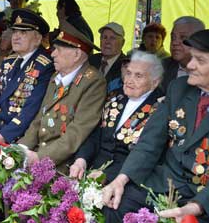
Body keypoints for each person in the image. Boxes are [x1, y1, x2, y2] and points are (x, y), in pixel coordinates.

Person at [101, 29, 209, 223]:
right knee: (115, 205)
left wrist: (195, 207)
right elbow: (150, 142)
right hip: (163, 185)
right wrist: (121, 179)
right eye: (192, 58)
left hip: (207, 199)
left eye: (200, 61)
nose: (190, 65)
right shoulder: (179, 88)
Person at [18, 20, 106, 173]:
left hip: (62, 164)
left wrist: (40, 158)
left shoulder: (93, 82)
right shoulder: (56, 77)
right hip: (38, 155)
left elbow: (77, 132)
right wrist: (21, 149)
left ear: (77, 54)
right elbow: (39, 119)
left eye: (58, 49)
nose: (52, 54)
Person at [70, 51, 164, 182]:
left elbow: (145, 156)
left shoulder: (161, 109)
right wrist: (81, 160)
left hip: (125, 179)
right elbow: (95, 134)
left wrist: (107, 176)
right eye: (129, 73)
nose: (130, 80)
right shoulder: (114, 96)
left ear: (155, 82)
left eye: (138, 76)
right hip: (92, 168)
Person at [0, 8, 54, 144]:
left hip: (18, 137)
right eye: (15, 31)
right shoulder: (9, 62)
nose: (15, 37)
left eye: (23, 33)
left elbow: (32, 109)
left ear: (38, 39)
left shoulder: (44, 66)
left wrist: (3, 135)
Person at [161, 16, 205, 92]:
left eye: (183, 38)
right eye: (173, 37)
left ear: (199, 41)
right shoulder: (161, 67)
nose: (174, 43)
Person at [89, 22, 126, 93]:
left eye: (112, 38)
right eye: (104, 37)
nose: (107, 42)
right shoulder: (91, 60)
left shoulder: (126, 66)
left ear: (122, 43)